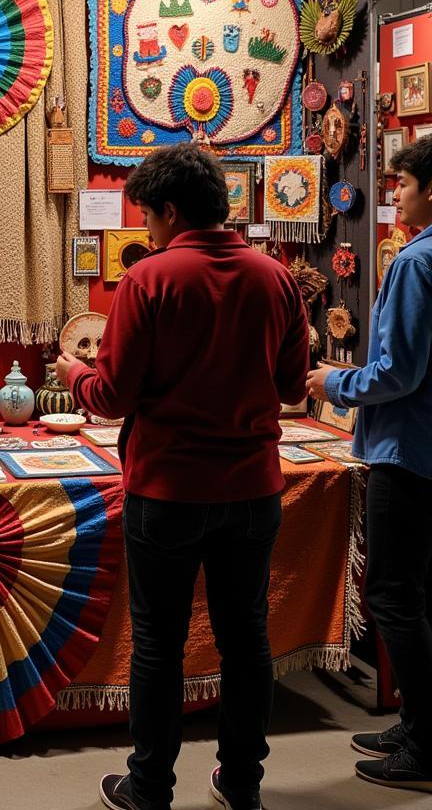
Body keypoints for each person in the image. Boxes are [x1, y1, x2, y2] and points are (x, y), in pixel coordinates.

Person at [55, 143, 309, 810]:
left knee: (160, 645)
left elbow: (110, 396)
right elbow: (290, 388)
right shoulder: (275, 277)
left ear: (169, 211)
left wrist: (72, 374)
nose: (147, 233)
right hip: (253, 490)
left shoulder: (149, 280)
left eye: (148, 220)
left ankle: (150, 787)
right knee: (246, 638)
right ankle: (243, 783)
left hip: (168, 492)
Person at [306, 136, 432, 795]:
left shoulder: (416, 262)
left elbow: (399, 372)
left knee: (389, 593)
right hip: (423, 447)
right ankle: (417, 723)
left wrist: (335, 383)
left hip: (404, 450)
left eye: (403, 185)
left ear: (430, 189)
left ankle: (426, 741)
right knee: (417, 593)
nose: (394, 195)